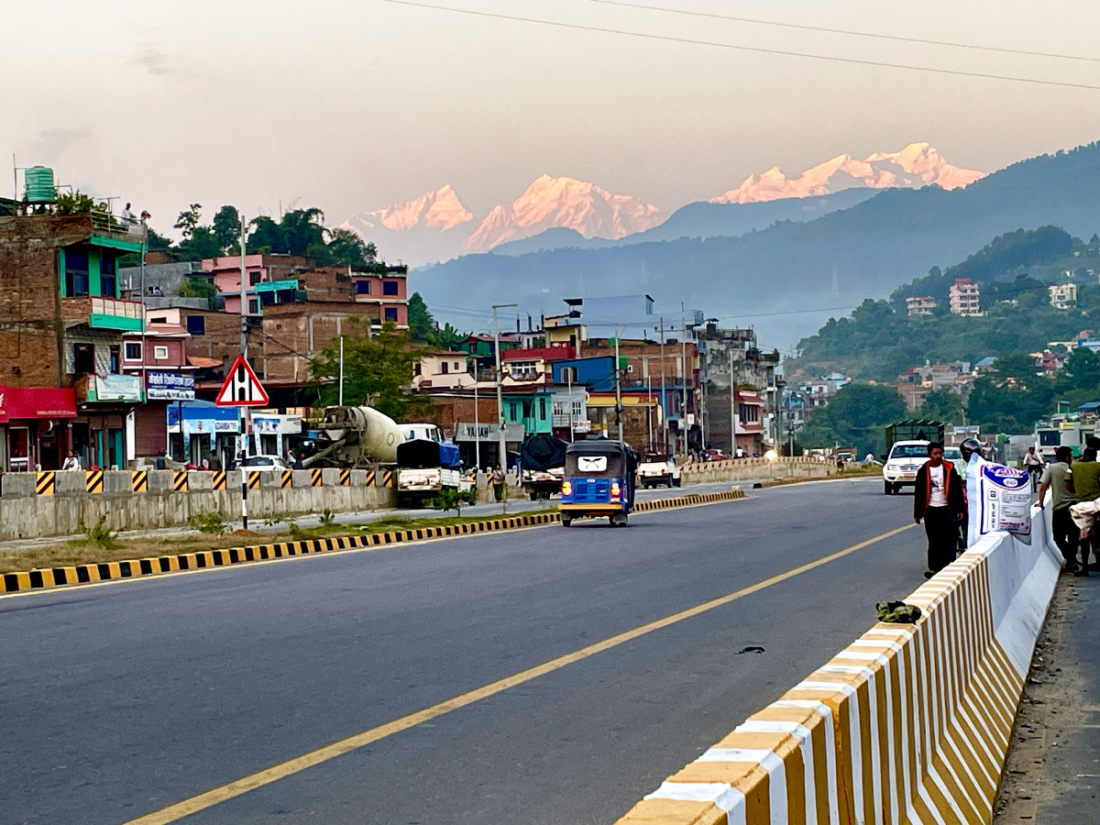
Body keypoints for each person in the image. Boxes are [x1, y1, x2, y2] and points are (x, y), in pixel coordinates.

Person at [914, 442, 966, 579]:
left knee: (947, 539)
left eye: (940, 453)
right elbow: (919, 494)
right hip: (931, 510)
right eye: (935, 454)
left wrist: (960, 509)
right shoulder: (923, 471)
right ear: (929, 455)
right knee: (933, 540)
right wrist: (917, 514)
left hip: (947, 509)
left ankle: (947, 566)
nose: (938, 456)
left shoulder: (949, 469)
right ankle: (934, 568)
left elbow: (957, 491)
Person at [1038, 446, 1080, 572]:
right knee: (1074, 536)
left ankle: (1070, 560)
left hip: (1059, 508)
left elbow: (1043, 486)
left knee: (1058, 537)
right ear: (1067, 457)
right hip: (1075, 507)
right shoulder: (1074, 467)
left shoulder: (1051, 468)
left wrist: (1040, 503)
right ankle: (1072, 560)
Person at [1069, 448, 1100, 575]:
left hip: (1081, 506)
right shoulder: (1098, 466)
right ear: (1094, 456)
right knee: (1097, 535)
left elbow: (1067, 484)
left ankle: (1085, 567)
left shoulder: (1073, 467)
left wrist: (1077, 492)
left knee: (1084, 538)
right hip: (1097, 504)